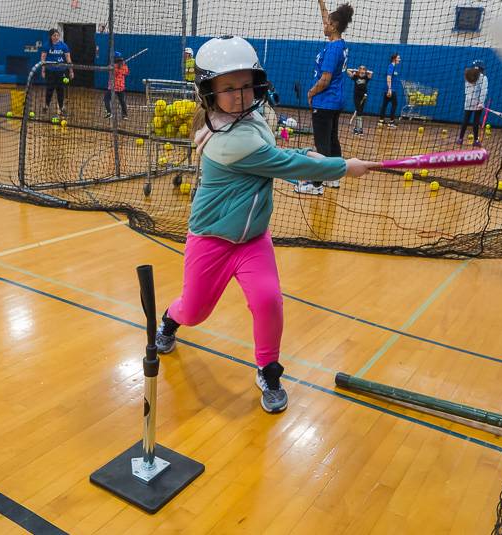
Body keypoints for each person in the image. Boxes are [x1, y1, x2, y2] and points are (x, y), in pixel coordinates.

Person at [154, 36, 376, 413]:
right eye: (228, 88)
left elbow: (282, 155)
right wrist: (342, 166)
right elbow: (283, 165)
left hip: (253, 239)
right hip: (212, 240)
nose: (239, 95)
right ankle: (169, 321)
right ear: (209, 91)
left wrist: (307, 153)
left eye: (245, 85)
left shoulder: (254, 118)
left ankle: (268, 370)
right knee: (195, 311)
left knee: (268, 300)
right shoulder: (227, 141)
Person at [295, 0, 353, 196]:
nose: (324, 24)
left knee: (322, 144)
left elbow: (325, 79)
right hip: (335, 101)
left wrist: (311, 92)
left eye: (327, 22)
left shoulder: (333, 49)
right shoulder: (339, 44)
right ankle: (333, 178)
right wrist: (321, 3)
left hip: (325, 100)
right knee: (332, 139)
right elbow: (327, 18)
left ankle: (316, 184)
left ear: (334, 25)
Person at [40, 28, 74, 116]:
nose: (56, 37)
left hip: (61, 71)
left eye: (57, 35)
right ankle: (46, 106)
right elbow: (43, 59)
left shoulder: (64, 46)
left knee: (60, 90)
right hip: (50, 71)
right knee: (49, 89)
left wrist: (71, 71)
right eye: (54, 35)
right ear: (50, 36)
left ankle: (61, 107)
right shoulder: (46, 46)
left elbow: (68, 58)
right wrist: (43, 70)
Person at [457, 60, 488, 147]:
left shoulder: (467, 75)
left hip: (468, 101)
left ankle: (460, 139)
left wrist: (469, 99)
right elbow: (483, 91)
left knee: (465, 120)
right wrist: (481, 102)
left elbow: (466, 90)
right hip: (478, 102)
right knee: (476, 121)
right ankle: (475, 140)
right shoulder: (483, 77)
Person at [346, 65, 372, 136]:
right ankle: (359, 129)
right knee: (359, 111)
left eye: (363, 69)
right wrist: (356, 70)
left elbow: (371, 73)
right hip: (356, 96)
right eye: (361, 69)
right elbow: (347, 70)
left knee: (360, 112)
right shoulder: (355, 77)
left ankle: (357, 128)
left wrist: (365, 71)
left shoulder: (366, 78)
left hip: (364, 97)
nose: (362, 70)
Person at [103, 51, 129, 119]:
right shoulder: (124, 66)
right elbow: (126, 73)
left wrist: (120, 65)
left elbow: (125, 73)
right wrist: (122, 65)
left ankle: (109, 112)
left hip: (113, 87)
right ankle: (125, 115)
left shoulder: (112, 67)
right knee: (122, 101)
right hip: (120, 87)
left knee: (106, 99)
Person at [378, 53, 401, 127]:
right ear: (394, 59)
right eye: (398, 58)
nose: (399, 59)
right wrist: (390, 89)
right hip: (390, 90)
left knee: (385, 104)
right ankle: (391, 122)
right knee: (395, 104)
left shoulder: (394, 67)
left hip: (389, 89)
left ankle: (381, 120)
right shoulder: (391, 66)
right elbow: (388, 77)